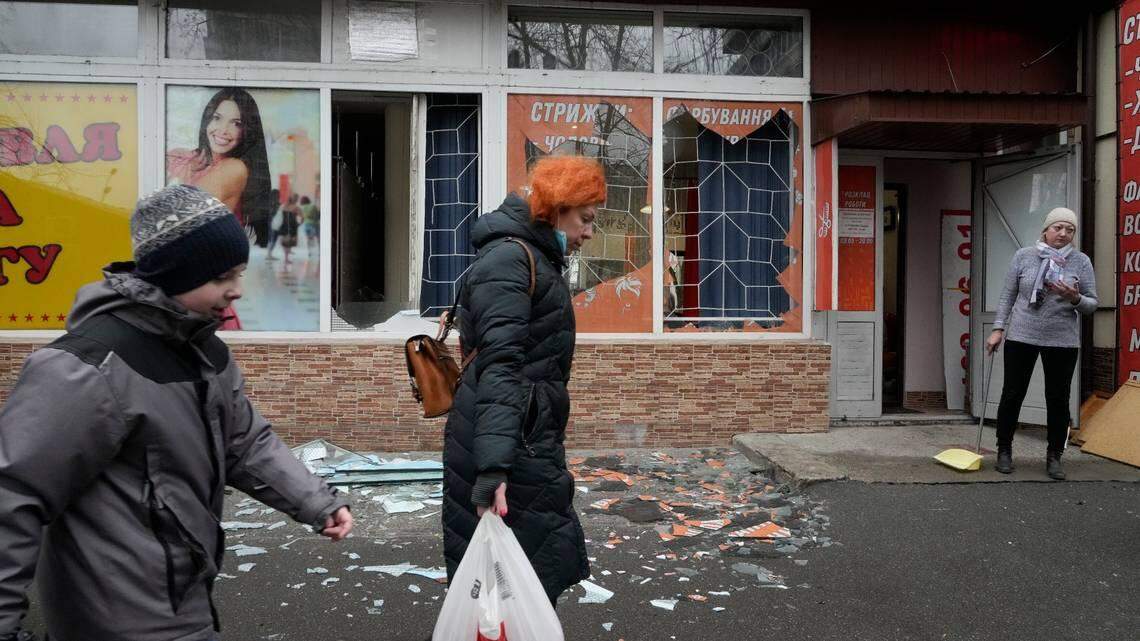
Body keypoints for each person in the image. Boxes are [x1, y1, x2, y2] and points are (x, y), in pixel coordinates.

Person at [0, 184, 353, 641]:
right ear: (174, 273)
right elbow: (12, 496)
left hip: (184, 602)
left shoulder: (203, 351)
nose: (237, 291)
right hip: (114, 617)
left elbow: (244, 442)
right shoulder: (87, 368)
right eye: (222, 276)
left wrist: (315, 501)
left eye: (240, 273)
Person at [442, 155, 603, 610]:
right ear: (556, 208)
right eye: (585, 219)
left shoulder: (530, 257)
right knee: (507, 589)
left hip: (523, 438)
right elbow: (501, 364)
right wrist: (493, 469)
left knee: (522, 583)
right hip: (509, 446)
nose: (589, 232)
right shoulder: (513, 259)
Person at [986, 207, 1098, 480]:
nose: (1063, 233)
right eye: (1058, 227)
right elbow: (1007, 296)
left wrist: (1075, 298)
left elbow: (1092, 305)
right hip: (1022, 335)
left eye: (1069, 230)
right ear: (1046, 230)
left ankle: (1054, 456)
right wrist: (998, 328)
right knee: (1013, 393)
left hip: (1062, 340)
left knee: (1058, 399)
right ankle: (1004, 449)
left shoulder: (1081, 262)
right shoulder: (1024, 256)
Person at [167, 88, 274, 329]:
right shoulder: (191, 160)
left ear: (247, 131)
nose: (223, 130)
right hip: (187, 291)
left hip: (200, 294)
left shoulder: (234, 168)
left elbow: (178, 216)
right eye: (217, 118)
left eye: (236, 123)